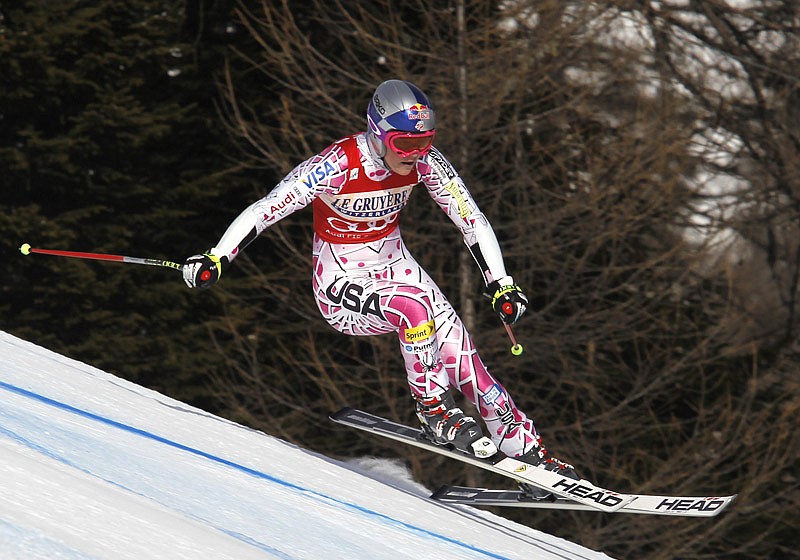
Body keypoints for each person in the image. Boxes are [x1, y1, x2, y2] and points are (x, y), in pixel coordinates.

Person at [183, 79, 576, 482]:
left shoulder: (426, 162)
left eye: (424, 142)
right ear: (377, 133)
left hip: (395, 267)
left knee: (466, 361)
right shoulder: (337, 165)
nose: (415, 155)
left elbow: (470, 217)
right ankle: (434, 409)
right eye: (405, 144)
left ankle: (529, 455)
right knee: (414, 308)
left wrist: (501, 283)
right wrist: (217, 256)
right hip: (339, 283)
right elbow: (266, 209)